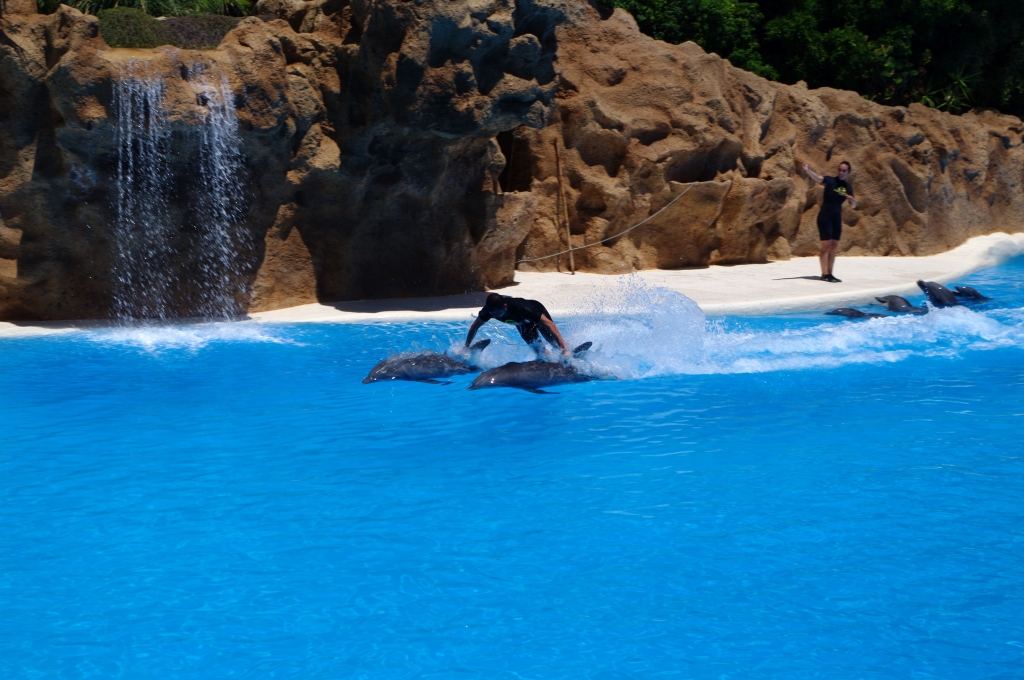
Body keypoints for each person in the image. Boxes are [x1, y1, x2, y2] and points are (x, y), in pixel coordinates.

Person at [802, 160, 857, 282]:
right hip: (825, 217)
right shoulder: (831, 181)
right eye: (840, 170)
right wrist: (809, 171)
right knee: (826, 246)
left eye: (844, 171)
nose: (841, 172)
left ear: (848, 172)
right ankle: (824, 273)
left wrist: (853, 201)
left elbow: (853, 206)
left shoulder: (847, 187)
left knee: (833, 247)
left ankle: (830, 274)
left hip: (836, 219)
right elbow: (818, 178)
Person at [465, 293, 570, 357]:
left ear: (505, 306)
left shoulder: (522, 307)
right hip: (522, 323)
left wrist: (564, 350)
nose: (495, 316)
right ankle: (549, 360)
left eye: (498, 314)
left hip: (534, 313)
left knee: (554, 343)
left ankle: (569, 351)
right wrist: (466, 347)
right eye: (493, 315)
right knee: (538, 350)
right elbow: (475, 327)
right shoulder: (489, 311)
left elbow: (550, 324)